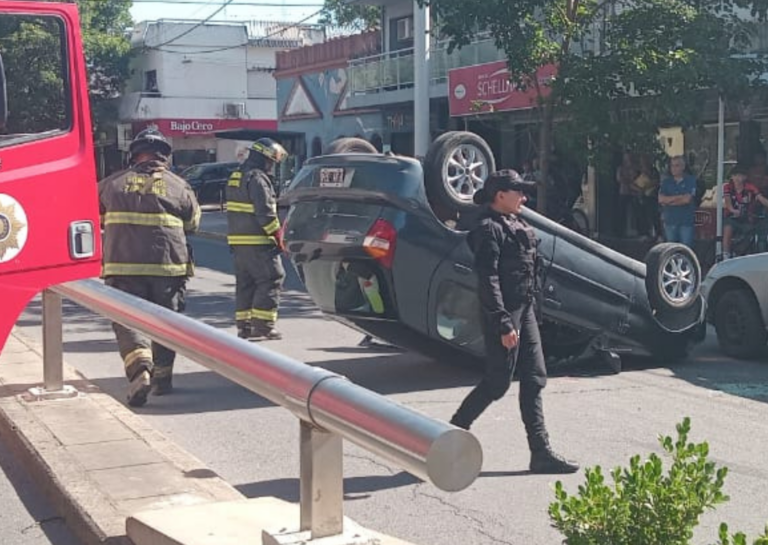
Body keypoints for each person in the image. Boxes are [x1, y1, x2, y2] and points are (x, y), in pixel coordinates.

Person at [449, 169, 579, 475]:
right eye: (518, 191)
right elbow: (488, 280)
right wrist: (503, 324)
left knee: (534, 378)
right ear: (500, 196)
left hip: (526, 308)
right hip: (504, 313)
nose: (524, 196)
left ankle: (541, 453)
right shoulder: (487, 229)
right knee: (497, 382)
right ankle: (450, 434)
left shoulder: (517, 223)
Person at [99, 128, 201, 407]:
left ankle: (139, 369)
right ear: (165, 156)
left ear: (134, 154)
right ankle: (162, 380)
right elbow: (193, 224)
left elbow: (94, 218)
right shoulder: (180, 186)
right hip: (169, 268)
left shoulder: (110, 184)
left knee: (127, 320)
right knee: (167, 323)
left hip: (122, 268)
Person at [226, 138, 288, 341]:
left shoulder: (237, 175)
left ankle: (244, 326)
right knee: (272, 278)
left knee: (246, 283)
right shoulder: (258, 179)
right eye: (271, 162)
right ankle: (262, 327)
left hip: (238, 242)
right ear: (264, 159)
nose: (272, 166)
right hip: (258, 242)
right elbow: (266, 213)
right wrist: (278, 236)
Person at [722, 165, 768, 259]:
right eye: (736, 175)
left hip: (746, 218)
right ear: (732, 177)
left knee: (750, 232)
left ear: (745, 177)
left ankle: (740, 254)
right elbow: (728, 203)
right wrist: (733, 210)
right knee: (728, 228)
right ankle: (725, 255)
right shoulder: (727, 187)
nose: (738, 178)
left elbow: (760, 198)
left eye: (741, 176)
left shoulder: (750, 187)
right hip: (731, 217)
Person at [658, 155, 697, 248]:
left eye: (677, 165)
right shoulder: (666, 182)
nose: (673, 168)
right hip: (670, 221)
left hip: (686, 221)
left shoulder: (690, 180)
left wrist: (669, 200)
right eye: (672, 165)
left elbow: (687, 200)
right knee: (671, 250)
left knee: (686, 250)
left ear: (683, 167)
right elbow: (661, 199)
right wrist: (680, 197)